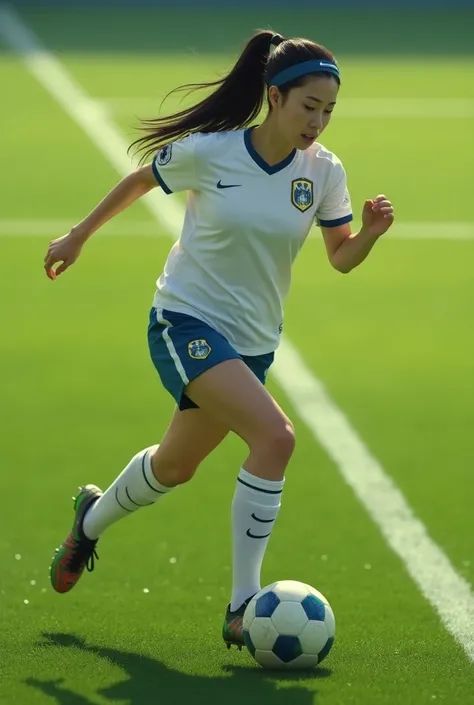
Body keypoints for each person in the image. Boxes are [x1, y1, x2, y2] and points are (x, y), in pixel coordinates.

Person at [45, 29, 394, 649]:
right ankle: (242, 607)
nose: (318, 121)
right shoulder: (212, 151)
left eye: (329, 111)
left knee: (174, 466)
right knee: (276, 438)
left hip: (253, 342)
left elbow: (341, 259)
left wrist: (368, 232)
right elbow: (142, 180)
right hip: (185, 320)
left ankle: (88, 522)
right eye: (308, 106)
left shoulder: (325, 172)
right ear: (275, 97)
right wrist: (78, 235)